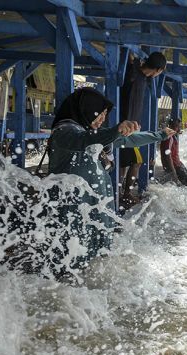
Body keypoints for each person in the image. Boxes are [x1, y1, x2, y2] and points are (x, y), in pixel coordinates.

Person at [47, 87, 174, 265]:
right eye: (100, 113)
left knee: (96, 262)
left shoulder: (92, 132)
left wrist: (159, 135)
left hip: (94, 210)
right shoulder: (64, 131)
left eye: (105, 115)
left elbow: (129, 140)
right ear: (88, 108)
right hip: (72, 211)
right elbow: (82, 140)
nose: (102, 119)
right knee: (70, 260)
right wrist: (115, 130)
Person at [118, 51, 167, 207]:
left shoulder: (140, 76)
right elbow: (130, 58)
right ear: (158, 70)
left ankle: (121, 193)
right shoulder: (134, 74)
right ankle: (125, 194)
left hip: (130, 127)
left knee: (125, 162)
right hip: (126, 127)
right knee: (136, 161)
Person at [159, 118, 187, 186]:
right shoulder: (169, 138)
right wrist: (173, 172)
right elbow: (168, 156)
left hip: (178, 165)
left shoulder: (172, 136)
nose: (179, 129)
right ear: (170, 126)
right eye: (176, 126)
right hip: (176, 167)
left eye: (179, 126)